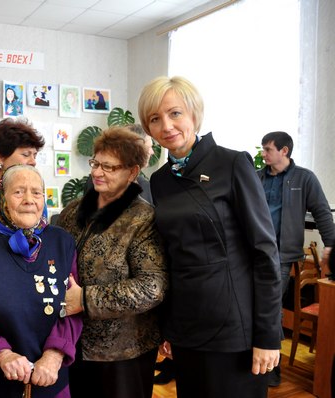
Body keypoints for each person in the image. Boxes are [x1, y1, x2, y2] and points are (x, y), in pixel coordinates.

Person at [138, 75, 281, 398]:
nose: (167, 125)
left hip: (234, 327)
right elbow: (171, 258)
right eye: (155, 119)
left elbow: (264, 252)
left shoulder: (232, 163)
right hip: (187, 326)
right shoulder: (160, 180)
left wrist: (268, 335)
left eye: (175, 113)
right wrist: (169, 327)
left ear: (193, 114)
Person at [57, 126, 168, 398]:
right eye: (95, 163)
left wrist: (84, 299)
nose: (97, 172)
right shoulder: (74, 210)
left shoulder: (143, 218)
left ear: (132, 172)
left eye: (109, 167)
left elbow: (152, 286)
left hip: (123, 351)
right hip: (72, 342)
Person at [0, 164, 83, 397]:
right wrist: (1, 353)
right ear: (2, 198)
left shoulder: (62, 242)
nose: (29, 199)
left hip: (52, 380)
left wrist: (54, 354)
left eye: (36, 192)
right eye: (18, 192)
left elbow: (72, 306)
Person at [257, 130, 335, 386]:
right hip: (254, 252)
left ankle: (271, 368)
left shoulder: (304, 178)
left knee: (271, 307)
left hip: (281, 256)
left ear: (284, 151)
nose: (264, 153)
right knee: (254, 305)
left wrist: (331, 245)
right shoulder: (257, 178)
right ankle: (256, 360)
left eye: (268, 149)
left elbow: (323, 212)